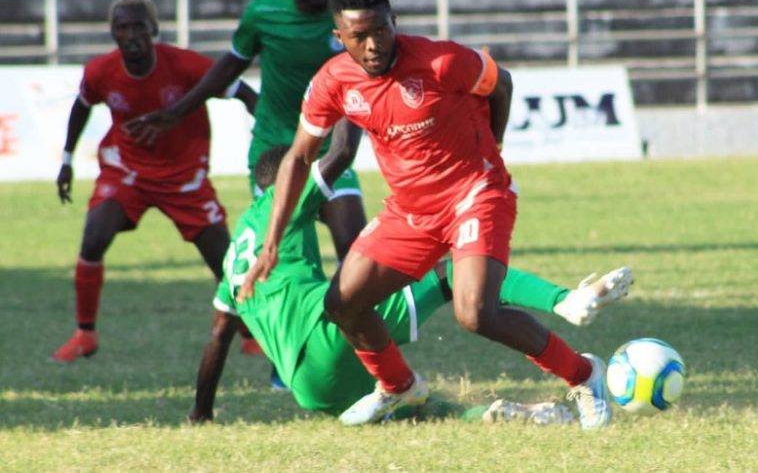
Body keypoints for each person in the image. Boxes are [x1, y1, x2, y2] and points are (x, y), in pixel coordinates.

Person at [239, 0, 614, 430]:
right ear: (339, 37)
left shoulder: (441, 61)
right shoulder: (332, 82)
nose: (374, 44)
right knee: (341, 304)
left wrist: (490, 149)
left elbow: (503, 84)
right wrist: (272, 243)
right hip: (410, 210)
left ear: (394, 20)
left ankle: (583, 375)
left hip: (475, 194)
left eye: (381, 30)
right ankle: (398, 386)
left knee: (475, 313)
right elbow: (299, 156)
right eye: (360, 36)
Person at [189, 121, 633, 423]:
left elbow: (217, 338)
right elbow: (340, 152)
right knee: (450, 276)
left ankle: (495, 415)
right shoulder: (279, 204)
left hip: (308, 390)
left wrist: (201, 414)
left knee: (413, 405)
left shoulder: (234, 256)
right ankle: (564, 300)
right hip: (326, 336)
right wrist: (350, 88)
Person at [126, 0, 367, 266]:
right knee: (285, 258)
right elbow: (228, 68)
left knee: (355, 249)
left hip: (329, 153)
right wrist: (177, 112)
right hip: (273, 153)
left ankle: (349, 318)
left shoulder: (350, 19)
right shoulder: (264, 14)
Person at [51, 0, 259, 363]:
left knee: (224, 262)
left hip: (185, 179)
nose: (131, 35)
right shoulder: (101, 71)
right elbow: (81, 106)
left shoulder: (184, 65)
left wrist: (273, 131)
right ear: (113, 33)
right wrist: (66, 160)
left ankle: (248, 334)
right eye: (122, 27)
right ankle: (85, 333)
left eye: (138, 27)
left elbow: (243, 92)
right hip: (127, 172)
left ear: (154, 30)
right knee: (93, 236)